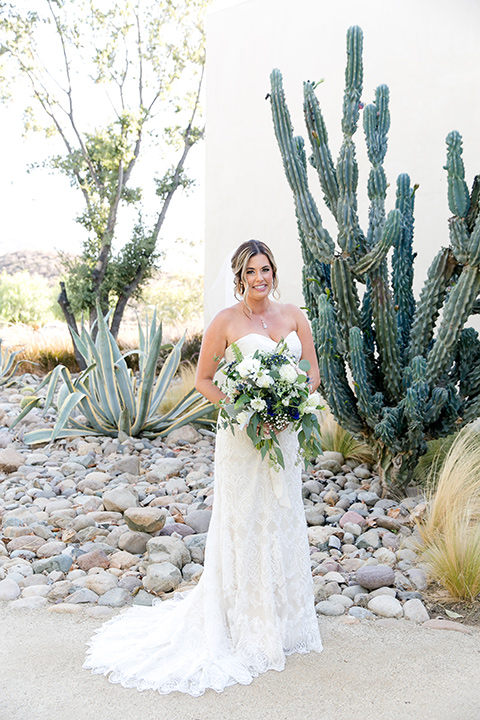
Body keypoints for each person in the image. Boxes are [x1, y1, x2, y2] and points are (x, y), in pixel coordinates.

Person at [83, 239, 323, 696]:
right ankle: (246, 625)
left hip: (285, 434)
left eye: (266, 269)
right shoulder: (226, 322)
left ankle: (285, 622)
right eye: (251, 271)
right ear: (239, 276)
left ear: (274, 272)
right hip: (244, 437)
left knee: (283, 515)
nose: (260, 278)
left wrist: (294, 403)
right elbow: (203, 381)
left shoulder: (294, 315)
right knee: (246, 521)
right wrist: (245, 408)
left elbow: (310, 368)